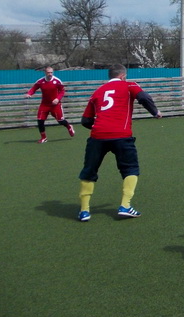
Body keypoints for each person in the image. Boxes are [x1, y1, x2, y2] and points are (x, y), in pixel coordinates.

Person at [76, 64, 162, 222]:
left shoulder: (98, 91)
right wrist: (155, 112)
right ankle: (125, 206)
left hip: (97, 136)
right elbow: (144, 97)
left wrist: (101, 127)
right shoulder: (129, 85)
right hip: (121, 135)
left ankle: (84, 211)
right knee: (130, 169)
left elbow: (86, 120)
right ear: (123, 76)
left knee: (89, 171)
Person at [25, 66, 75, 143]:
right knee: (40, 120)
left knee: (61, 121)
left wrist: (57, 99)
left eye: (51, 72)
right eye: (48, 73)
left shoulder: (57, 81)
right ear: (45, 73)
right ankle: (44, 138)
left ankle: (69, 127)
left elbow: (62, 91)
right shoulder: (40, 81)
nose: (50, 74)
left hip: (55, 105)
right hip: (44, 105)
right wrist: (29, 94)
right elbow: (34, 88)